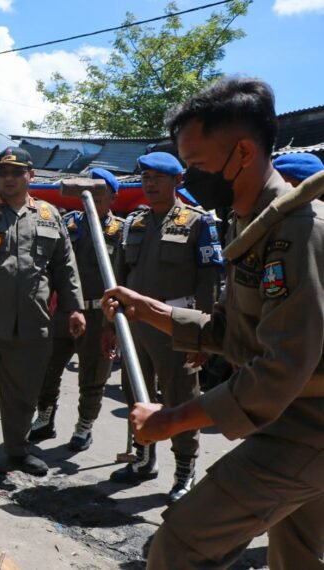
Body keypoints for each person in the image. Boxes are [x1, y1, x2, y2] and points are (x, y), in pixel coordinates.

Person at [103, 78, 324, 569]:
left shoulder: (297, 230)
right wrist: (149, 309)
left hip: (306, 429)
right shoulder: (249, 222)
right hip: (294, 419)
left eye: (198, 165)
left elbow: (279, 369)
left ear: (243, 152)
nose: (191, 178)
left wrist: (168, 421)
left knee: (180, 547)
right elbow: (232, 333)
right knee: (299, 557)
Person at [0, 147, 86, 475]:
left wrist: (74, 309)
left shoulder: (50, 216)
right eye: (2, 172)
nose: (8, 178)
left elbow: (65, 266)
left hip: (31, 324)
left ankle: (18, 452)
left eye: (15, 172)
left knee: (23, 395)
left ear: (31, 175)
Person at [109, 151, 223, 504]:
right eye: (145, 177)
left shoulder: (198, 222)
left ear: (178, 181)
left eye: (158, 177)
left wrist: (203, 336)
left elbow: (210, 282)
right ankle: (143, 459)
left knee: (180, 399)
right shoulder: (134, 223)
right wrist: (111, 326)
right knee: (135, 392)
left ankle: (184, 470)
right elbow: (119, 278)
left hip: (178, 326)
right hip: (135, 327)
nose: (150, 183)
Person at [29, 168, 125, 452]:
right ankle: (45, 417)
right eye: (88, 192)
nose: (91, 199)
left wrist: (115, 324)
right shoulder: (67, 224)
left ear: (113, 198)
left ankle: (84, 426)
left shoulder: (122, 231)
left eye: (99, 193)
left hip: (100, 314)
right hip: (64, 311)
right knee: (47, 368)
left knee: (93, 376)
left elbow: (125, 276)